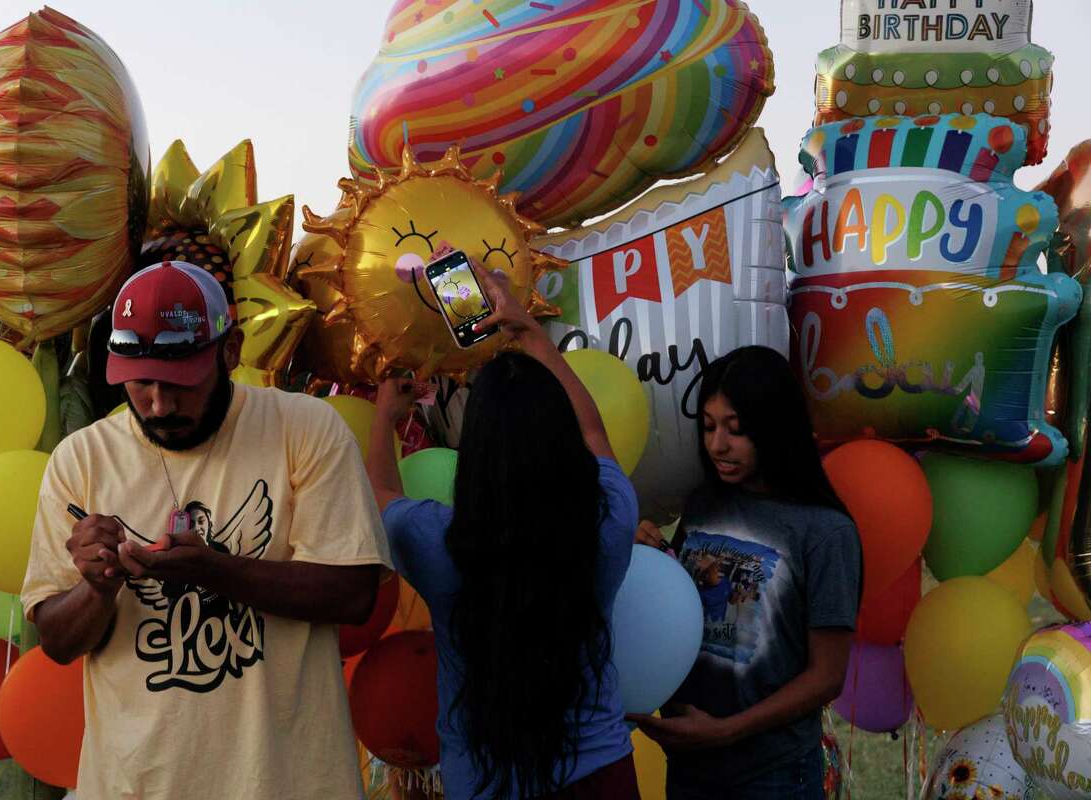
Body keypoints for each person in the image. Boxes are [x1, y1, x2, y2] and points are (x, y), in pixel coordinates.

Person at [20, 260, 392, 799]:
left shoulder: (303, 428)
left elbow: (353, 594)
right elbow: (56, 641)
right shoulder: (82, 459)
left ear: (231, 350)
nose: (158, 404)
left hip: (289, 784)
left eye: (180, 382)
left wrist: (214, 569)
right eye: (139, 383)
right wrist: (97, 587)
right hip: (136, 785)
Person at [365, 252, 641, 799]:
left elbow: (378, 496)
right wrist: (533, 335)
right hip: (602, 778)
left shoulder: (438, 543)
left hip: (484, 784)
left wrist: (384, 418)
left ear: (476, 451)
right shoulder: (608, 518)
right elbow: (594, 436)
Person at [630, 346, 861, 800]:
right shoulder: (703, 503)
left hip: (771, 776)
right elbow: (680, 603)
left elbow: (827, 675)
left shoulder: (825, 532)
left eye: (736, 430)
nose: (717, 445)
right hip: (691, 766)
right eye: (709, 426)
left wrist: (727, 731)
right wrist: (654, 554)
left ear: (776, 430)